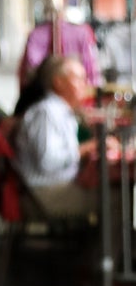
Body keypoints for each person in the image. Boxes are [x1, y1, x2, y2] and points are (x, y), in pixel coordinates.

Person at [14, 52, 103, 216]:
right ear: (59, 82)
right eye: (78, 79)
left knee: (114, 189)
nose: (85, 84)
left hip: (58, 185)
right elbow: (48, 162)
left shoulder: (60, 111)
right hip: (46, 193)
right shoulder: (47, 113)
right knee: (118, 199)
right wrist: (85, 149)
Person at [18, 5, 101, 94]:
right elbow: (90, 66)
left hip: (43, 89)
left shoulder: (35, 34)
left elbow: (28, 68)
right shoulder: (81, 33)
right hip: (71, 90)